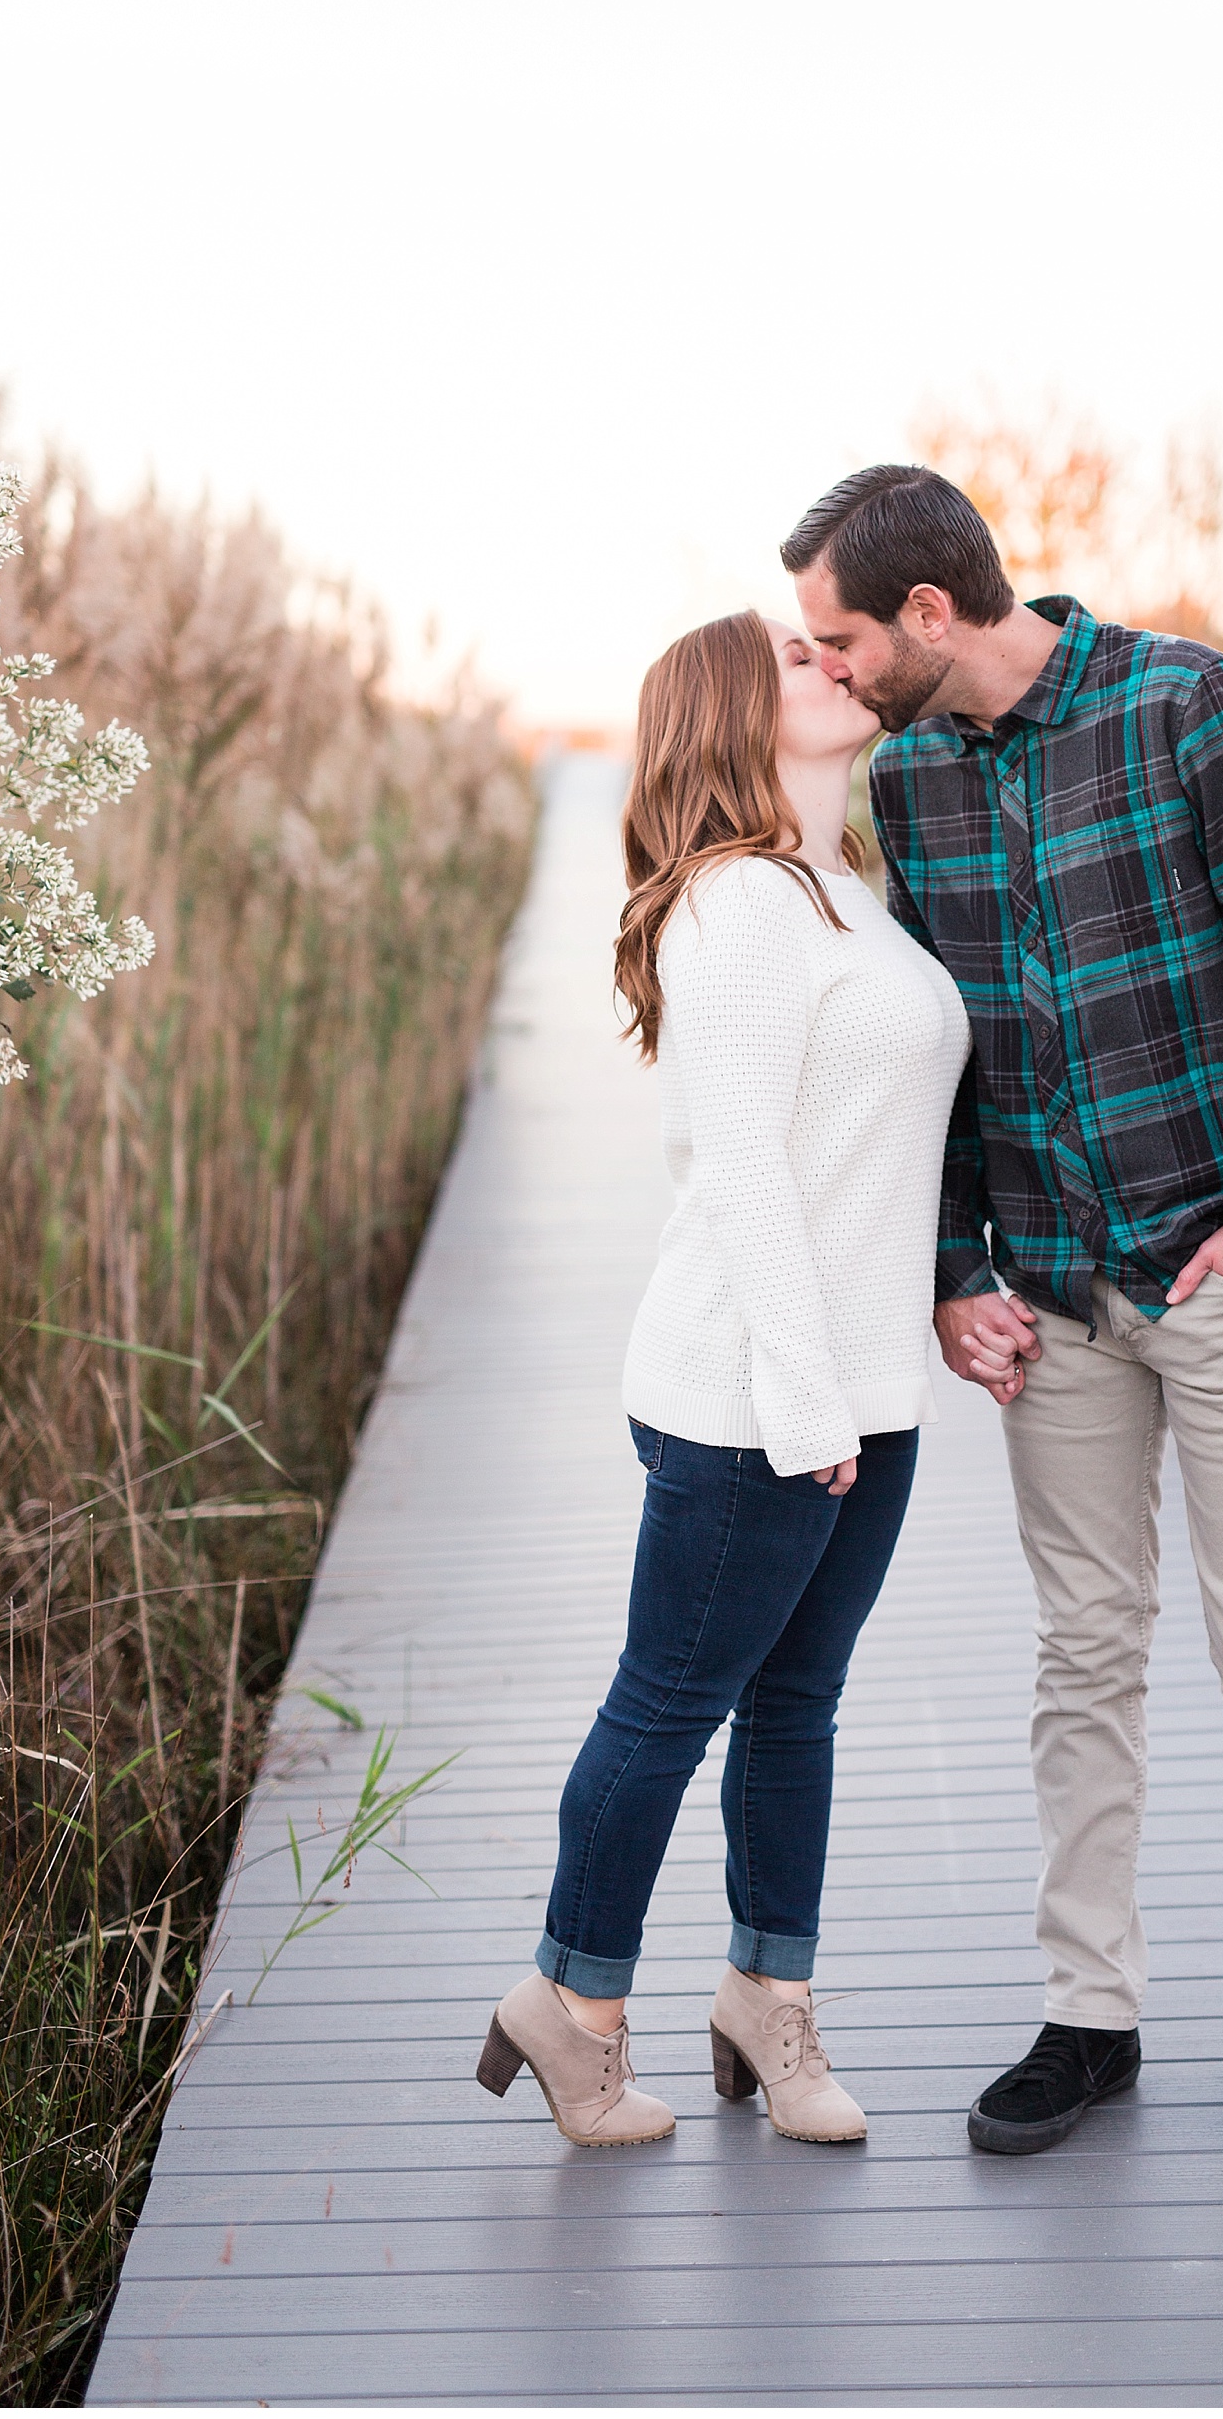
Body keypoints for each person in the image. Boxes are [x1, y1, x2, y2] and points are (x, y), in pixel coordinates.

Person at [781, 466, 1223, 2169]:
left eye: (837, 637)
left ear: (924, 614)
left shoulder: (1193, 705)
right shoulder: (916, 779)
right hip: (1055, 1291)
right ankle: (1091, 2013)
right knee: (1084, 1652)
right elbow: (943, 1045)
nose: (824, 669)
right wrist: (958, 1261)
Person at [477, 607, 970, 2147]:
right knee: (670, 1705)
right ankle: (572, 2005)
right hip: (751, 1394)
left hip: (864, 1384)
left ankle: (768, 1997)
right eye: (799, 657)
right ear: (732, 717)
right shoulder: (737, 905)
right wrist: (807, 1399)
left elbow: (875, 1156)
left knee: (797, 1705)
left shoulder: (845, 892)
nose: (837, 659)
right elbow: (748, 1169)